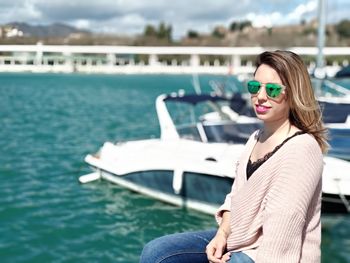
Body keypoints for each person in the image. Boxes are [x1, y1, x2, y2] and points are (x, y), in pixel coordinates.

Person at [140, 50, 328, 263]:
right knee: (156, 253)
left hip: (268, 253)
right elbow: (235, 198)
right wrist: (222, 235)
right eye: (255, 87)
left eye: (273, 90)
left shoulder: (301, 150)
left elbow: (280, 240)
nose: (261, 96)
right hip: (240, 238)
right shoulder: (257, 137)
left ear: (294, 93)